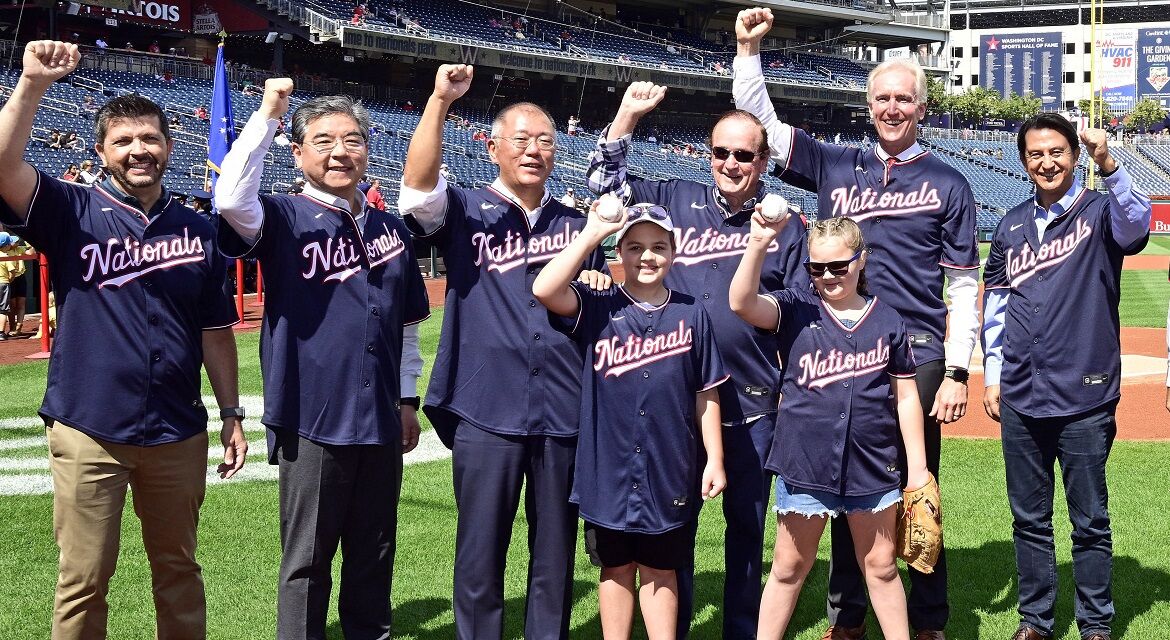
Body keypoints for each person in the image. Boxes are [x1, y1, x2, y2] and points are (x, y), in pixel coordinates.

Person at [734, 9, 980, 640]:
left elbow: (960, 284)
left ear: (921, 107)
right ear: (867, 105)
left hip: (914, 347)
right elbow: (762, 126)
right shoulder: (835, 164)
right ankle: (848, 616)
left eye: (903, 98)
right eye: (882, 98)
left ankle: (926, 620)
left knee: (910, 484)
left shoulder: (948, 183)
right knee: (843, 474)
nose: (891, 107)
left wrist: (956, 369)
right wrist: (747, 53)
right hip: (833, 334)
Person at [0, 40, 246, 639]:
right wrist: (31, 83)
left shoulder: (199, 228)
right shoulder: (69, 208)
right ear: (101, 151)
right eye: (123, 141)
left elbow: (216, 331)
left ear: (169, 146)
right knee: (83, 580)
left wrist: (233, 413)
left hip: (176, 429)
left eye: (149, 139)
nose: (139, 150)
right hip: (90, 426)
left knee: (179, 571)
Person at [586, 81, 809, 638]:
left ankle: (740, 629)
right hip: (680, 410)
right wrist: (625, 119)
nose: (731, 164)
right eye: (721, 152)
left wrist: (762, 307)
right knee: (674, 534)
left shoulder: (786, 224)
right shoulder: (674, 200)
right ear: (707, 153)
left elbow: (803, 305)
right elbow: (603, 188)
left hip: (755, 404)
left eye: (744, 154)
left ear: (762, 161)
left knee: (746, 532)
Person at [214, 78, 430, 640]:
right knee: (307, 560)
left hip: (380, 417)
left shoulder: (390, 229)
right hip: (311, 416)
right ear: (299, 152)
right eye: (324, 140)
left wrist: (407, 400)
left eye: (353, 140)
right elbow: (230, 199)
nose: (341, 151)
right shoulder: (281, 215)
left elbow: (405, 326)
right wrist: (267, 116)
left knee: (374, 552)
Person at [399, 64, 607, 640]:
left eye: (545, 141)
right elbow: (416, 191)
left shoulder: (577, 224)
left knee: (555, 553)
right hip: (486, 405)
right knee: (480, 549)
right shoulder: (464, 209)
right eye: (521, 139)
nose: (534, 150)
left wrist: (595, 285)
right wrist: (440, 100)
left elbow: (595, 309)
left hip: (562, 409)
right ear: (492, 147)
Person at [982, 114, 1151, 640]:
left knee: (1089, 520)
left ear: (1074, 156)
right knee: (1029, 520)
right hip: (1022, 396)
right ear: (1023, 160)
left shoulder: (1101, 210)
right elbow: (997, 307)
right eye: (1035, 154)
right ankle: (1035, 621)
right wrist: (992, 376)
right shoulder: (1009, 225)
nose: (1046, 162)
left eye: (1057, 151)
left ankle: (1095, 623)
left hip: (1085, 393)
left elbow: (1138, 227)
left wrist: (1110, 163)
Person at [533, 202, 728, 639]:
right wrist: (592, 234)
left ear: (674, 254)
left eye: (659, 246)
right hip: (610, 466)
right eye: (635, 247)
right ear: (619, 252)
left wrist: (714, 457)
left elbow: (706, 393)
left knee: (662, 569)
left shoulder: (691, 312)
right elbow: (545, 289)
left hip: (669, 465)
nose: (647, 256)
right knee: (614, 567)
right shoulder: (598, 302)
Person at [731, 214, 930, 640]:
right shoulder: (795, 307)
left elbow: (907, 397)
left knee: (880, 565)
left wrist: (918, 470)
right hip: (805, 462)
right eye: (816, 268)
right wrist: (758, 242)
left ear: (862, 261)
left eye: (838, 266)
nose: (827, 276)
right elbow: (742, 303)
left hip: (872, 464)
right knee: (788, 567)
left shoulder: (888, 320)